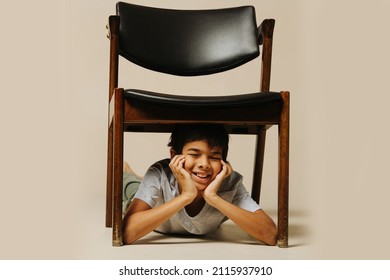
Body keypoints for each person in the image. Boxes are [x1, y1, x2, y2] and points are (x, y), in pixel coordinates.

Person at [122, 124, 277, 245]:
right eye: (195, 154)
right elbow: (126, 233)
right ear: (174, 155)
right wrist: (186, 196)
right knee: (132, 187)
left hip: (172, 192)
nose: (204, 164)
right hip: (151, 197)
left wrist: (213, 198)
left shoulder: (229, 182)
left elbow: (270, 234)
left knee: (144, 185)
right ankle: (129, 173)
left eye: (214, 157)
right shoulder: (159, 174)